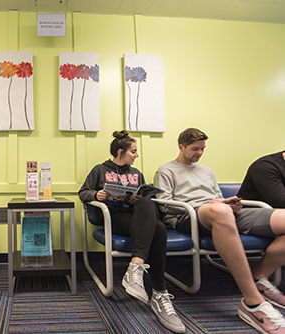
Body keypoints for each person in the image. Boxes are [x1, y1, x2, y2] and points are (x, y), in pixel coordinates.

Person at [154, 128, 285, 334]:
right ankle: (252, 303)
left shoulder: (206, 170)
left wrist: (229, 204)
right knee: (220, 210)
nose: (199, 153)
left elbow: (216, 196)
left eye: (202, 149)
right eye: (195, 149)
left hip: (220, 211)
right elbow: (165, 205)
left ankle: (260, 278)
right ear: (181, 146)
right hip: (188, 214)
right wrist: (216, 206)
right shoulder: (166, 170)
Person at [79, 130, 185, 333]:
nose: (136, 155)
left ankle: (141, 273)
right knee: (158, 228)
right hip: (114, 218)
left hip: (137, 217)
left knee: (154, 217)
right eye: (133, 151)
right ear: (121, 152)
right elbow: (83, 192)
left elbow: (143, 198)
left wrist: (137, 198)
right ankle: (158, 289)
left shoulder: (136, 173)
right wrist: (97, 194)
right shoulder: (100, 170)